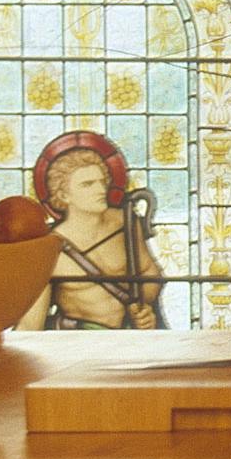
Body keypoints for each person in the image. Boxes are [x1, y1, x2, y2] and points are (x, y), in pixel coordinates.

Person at [29, 128, 162, 329]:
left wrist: (144, 308)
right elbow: (32, 324)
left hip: (129, 339)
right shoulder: (48, 247)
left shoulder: (125, 222)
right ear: (63, 195)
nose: (101, 190)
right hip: (81, 345)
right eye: (87, 184)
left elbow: (150, 272)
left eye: (102, 182)